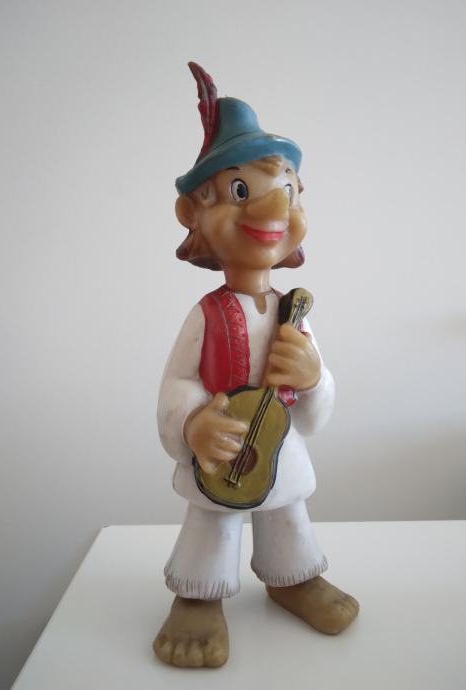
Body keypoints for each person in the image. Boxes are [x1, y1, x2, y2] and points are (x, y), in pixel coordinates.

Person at [153, 63, 359, 669]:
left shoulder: (297, 312)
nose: (273, 207)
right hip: (223, 448)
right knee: (211, 520)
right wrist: (193, 424)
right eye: (241, 191)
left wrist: (313, 378)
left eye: (286, 191)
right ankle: (198, 596)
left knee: (288, 512)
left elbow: (316, 411)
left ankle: (293, 578)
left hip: (280, 443)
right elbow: (177, 383)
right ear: (193, 213)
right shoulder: (206, 315)